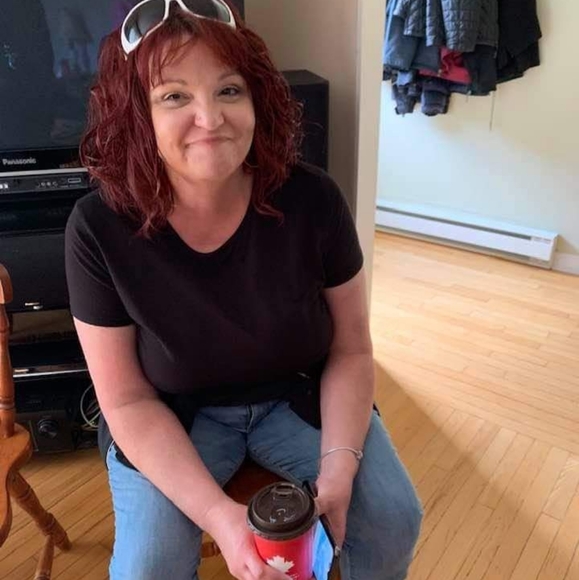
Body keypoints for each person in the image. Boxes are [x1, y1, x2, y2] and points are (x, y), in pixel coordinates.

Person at [65, 1, 423, 579]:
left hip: (301, 396)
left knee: (392, 517)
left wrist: (338, 471)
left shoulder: (315, 200)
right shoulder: (96, 227)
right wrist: (218, 516)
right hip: (173, 414)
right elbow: (125, 399)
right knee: (148, 567)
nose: (210, 118)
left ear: (257, 99)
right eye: (175, 96)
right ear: (138, 113)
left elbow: (352, 349)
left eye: (228, 90)